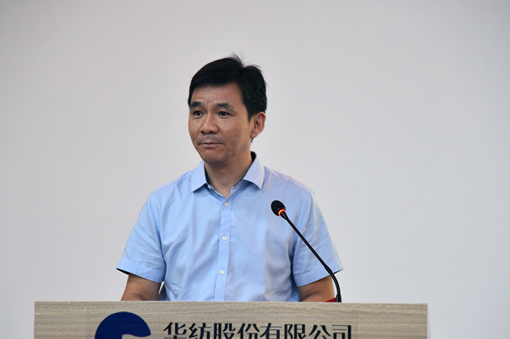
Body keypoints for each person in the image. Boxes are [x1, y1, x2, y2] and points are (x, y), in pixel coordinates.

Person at [118, 55, 342, 302]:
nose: (207, 126)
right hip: (181, 330)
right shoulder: (162, 204)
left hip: (268, 330)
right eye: (197, 112)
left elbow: (319, 294)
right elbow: (138, 296)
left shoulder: (295, 202)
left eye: (222, 113)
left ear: (256, 124)